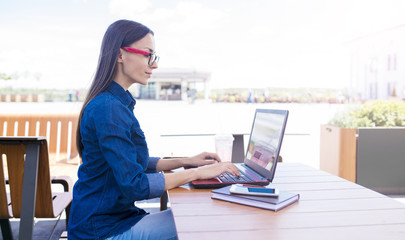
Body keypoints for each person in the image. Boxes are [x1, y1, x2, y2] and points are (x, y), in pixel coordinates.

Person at [67, 19, 240, 240]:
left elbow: (133, 162)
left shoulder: (113, 103)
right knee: (205, 219)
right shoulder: (109, 108)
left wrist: (185, 161)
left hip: (110, 220)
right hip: (101, 231)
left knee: (199, 215)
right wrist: (197, 173)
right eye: (148, 55)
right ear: (120, 55)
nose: (154, 64)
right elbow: (134, 185)